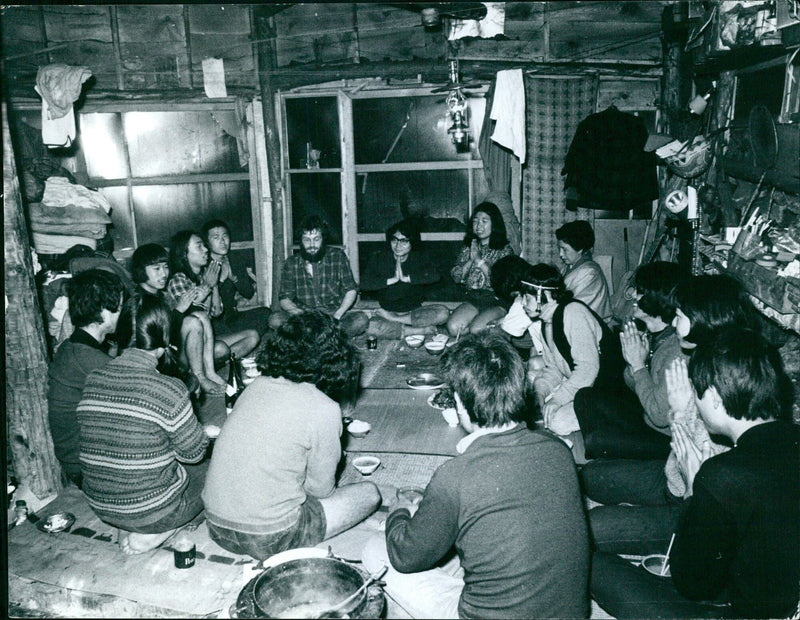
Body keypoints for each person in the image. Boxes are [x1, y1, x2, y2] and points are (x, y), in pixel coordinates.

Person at [361, 332, 589, 619]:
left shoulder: (454, 475)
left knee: (375, 549)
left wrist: (399, 512)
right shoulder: (557, 449)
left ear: (460, 402)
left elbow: (405, 557)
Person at [591, 328, 799, 619]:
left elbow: (692, 583)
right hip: (774, 590)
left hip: (747, 611)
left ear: (714, 397)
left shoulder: (720, 474)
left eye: (696, 393)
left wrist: (693, 493)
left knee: (594, 568)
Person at [580, 273, 762, 557]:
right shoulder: (702, 358)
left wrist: (677, 411)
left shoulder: (722, 380)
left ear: (704, 318)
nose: (673, 323)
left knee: (591, 527)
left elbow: (704, 487)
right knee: (589, 477)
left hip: (690, 501)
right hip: (672, 475)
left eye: (679, 316)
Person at [202, 311, 381, 560]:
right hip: (270, 537)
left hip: (216, 527)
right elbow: (321, 491)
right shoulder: (324, 408)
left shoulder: (255, 386)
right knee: (370, 492)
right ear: (334, 358)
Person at [77, 294, 210, 554]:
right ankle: (160, 529)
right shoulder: (169, 388)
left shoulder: (95, 377)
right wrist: (203, 433)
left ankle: (127, 523)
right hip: (152, 511)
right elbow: (193, 455)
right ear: (167, 338)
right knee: (216, 468)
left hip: (100, 503)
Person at [573, 261, 688, 460]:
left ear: (657, 297)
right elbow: (633, 386)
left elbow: (659, 417)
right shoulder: (654, 334)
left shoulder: (676, 351)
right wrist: (633, 363)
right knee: (585, 396)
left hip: (664, 436)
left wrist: (638, 365)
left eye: (640, 291)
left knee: (598, 441)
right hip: (645, 413)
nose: (633, 295)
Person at [505, 263, 624, 437]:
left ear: (544, 295)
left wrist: (557, 399)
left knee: (557, 422)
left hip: (607, 391)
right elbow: (554, 369)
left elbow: (588, 369)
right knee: (529, 399)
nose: (523, 303)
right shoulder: (547, 322)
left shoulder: (573, 312)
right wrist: (540, 393)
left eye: (526, 297)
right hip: (585, 387)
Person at [47, 269, 124, 489]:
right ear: (104, 311)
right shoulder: (88, 358)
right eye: (118, 307)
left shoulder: (71, 347)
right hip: (87, 469)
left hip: (80, 461)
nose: (121, 313)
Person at [166, 231, 259, 370]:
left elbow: (216, 312)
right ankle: (204, 367)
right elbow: (193, 317)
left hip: (206, 339)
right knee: (221, 349)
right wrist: (208, 285)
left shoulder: (205, 275)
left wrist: (213, 285)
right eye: (199, 246)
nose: (205, 249)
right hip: (185, 347)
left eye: (204, 245)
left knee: (253, 336)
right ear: (185, 254)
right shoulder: (178, 279)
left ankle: (223, 363)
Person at [131, 243, 215, 394]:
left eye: (165, 267)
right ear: (141, 270)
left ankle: (206, 374)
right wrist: (179, 310)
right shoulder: (139, 300)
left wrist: (198, 300)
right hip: (153, 362)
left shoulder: (162, 295)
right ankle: (199, 376)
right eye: (157, 269)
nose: (163, 273)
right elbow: (157, 339)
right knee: (193, 322)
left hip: (171, 353)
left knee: (199, 317)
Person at [268, 214, 368, 338]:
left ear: (323, 239)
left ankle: (311, 339)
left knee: (360, 320)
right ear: (301, 241)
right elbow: (284, 298)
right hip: (304, 314)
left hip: (333, 312)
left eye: (316, 239)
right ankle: (328, 339)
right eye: (307, 240)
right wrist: (300, 314)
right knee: (275, 320)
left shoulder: (338, 256)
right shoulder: (291, 262)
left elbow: (351, 290)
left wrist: (337, 316)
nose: (312, 245)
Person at [360, 218, 450, 339]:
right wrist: (391, 280)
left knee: (443, 313)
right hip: (386, 311)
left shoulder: (418, 258)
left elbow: (435, 276)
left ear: (412, 243)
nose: (398, 246)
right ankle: (419, 330)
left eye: (404, 241)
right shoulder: (379, 258)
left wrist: (407, 278)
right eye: (394, 240)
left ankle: (398, 323)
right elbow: (364, 284)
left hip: (413, 313)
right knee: (369, 326)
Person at [448, 202, 515, 336]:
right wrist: (471, 259)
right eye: (475, 221)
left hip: (497, 300)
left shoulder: (505, 250)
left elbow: (502, 283)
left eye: (484, 221)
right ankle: (474, 327)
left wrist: (479, 260)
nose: (478, 226)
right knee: (453, 328)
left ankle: (495, 327)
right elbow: (456, 276)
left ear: (494, 224)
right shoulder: (469, 247)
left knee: (477, 330)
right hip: (474, 298)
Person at [200, 219, 271, 337]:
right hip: (214, 319)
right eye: (216, 238)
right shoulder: (204, 263)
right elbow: (207, 305)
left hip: (232, 316)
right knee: (216, 328)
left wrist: (234, 279)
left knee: (266, 313)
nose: (222, 241)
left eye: (225, 236)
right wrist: (221, 280)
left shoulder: (234, 259)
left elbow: (248, 293)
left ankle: (236, 338)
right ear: (207, 242)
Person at [555, 220, 612, 322]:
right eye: (559, 249)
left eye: (565, 249)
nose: (561, 254)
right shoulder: (569, 266)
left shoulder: (590, 272)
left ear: (580, 249)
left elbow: (575, 305)